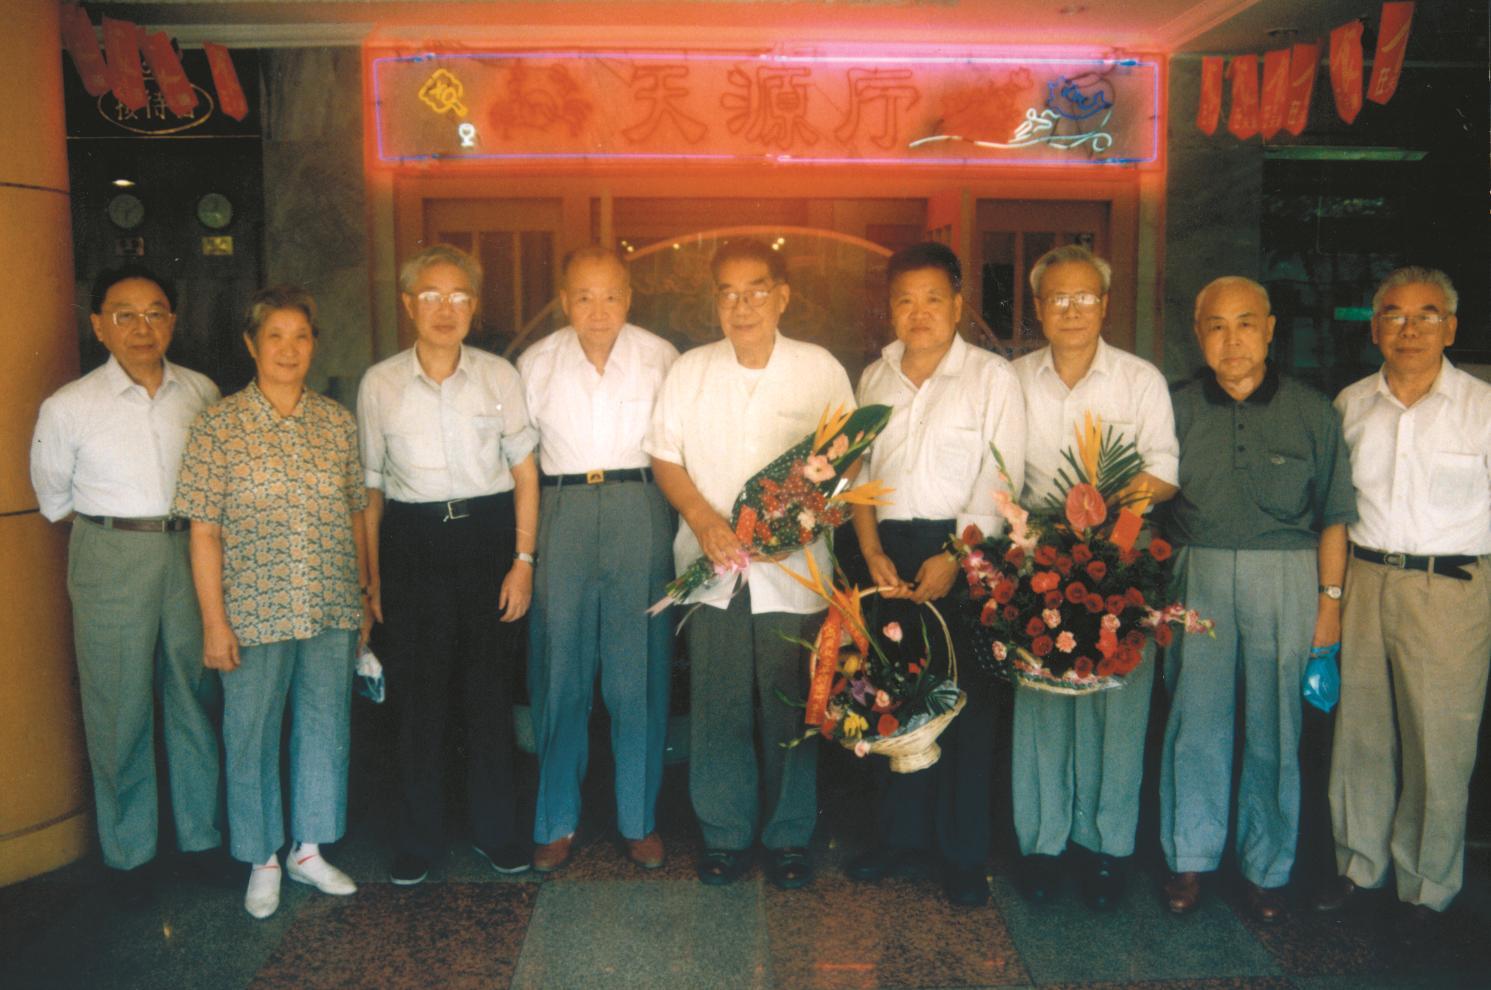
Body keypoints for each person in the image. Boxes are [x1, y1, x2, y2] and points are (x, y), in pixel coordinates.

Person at [646, 238, 854, 889]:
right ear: (715, 302)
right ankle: (725, 834)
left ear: (782, 296)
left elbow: (847, 466)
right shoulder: (690, 370)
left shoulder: (819, 369)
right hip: (713, 566)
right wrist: (702, 519)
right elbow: (664, 454)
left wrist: (809, 524)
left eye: (756, 290)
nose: (742, 306)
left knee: (792, 705)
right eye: (728, 293)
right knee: (719, 705)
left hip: (794, 572)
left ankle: (789, 836)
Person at [1157, 277, 1356, 922]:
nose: (1232, 339)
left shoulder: (1312, 410)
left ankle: (1268, 867)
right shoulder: (1176, 407)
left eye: (1246, 323)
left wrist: (1329, 606)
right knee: (1196, 721)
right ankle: (1190, 856)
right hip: (1199, 572)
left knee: (1276, 725)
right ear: (1199, 335)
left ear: (1270, 330)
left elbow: (1335, 518)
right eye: (1216, 325)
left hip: (1288, 575)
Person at [30, 266, 225, 906]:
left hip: (191, 551)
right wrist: (120, 533)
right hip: (111, 551)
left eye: (155, 312)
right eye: (124, 314)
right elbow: (54, 500)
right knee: (118, 704)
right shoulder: (68, 406)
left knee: (193, 693)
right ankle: (129, 852)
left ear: (173, 321)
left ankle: (201, 839)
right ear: (98, 326)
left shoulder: (202, 391)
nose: (142, 327)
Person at [173, 287, 370, 920]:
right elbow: (203, 530)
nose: (289, 349)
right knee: (250, 730)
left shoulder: (336, 422)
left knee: (325, 723)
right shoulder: (218, 425)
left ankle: (308, 850)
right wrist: (214, 622)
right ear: (251, 345)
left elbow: (356, 511)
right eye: (275, 336)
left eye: (300, 336)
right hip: (252, 608)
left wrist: (365, 595)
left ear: (314, 344)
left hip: (330, 600)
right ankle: (262, 858)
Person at [846, 242, 1026, 906]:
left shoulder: (990, 377)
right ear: (889, 307)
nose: (917, 312)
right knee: (889, 696)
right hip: (887, 553)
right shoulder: (874, 377)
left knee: (964, 704)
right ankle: (897, 838)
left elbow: (1001, 476)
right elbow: (859, 474)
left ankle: (962, 854)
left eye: (932, 299)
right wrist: (870, 552)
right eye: (904, 300)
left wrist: (955, 555)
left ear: (957, 304)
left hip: (963, 549)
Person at [1316, 266, 1491, 943]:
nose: (1409, 328)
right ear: (1374, 328)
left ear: (1451, 327)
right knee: (1360, 733)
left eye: (1426, 315)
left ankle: (1427, 886)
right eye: (1393, 314)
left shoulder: (1481, 407)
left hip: (1450, 589)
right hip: (1364, 578)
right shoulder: (1350, 405)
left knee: (1437, 741)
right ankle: (1359, 867)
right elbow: (1334, 509)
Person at [358, 244, 540, 885]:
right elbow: (370, 489)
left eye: (458, 296)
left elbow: (525, 474)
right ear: (408, 305)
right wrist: (372, 578)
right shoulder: (379, 383)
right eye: (431, 296)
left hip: (488, 537)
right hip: (412, 543)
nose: (445, 309)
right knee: (419, 698)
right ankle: (419, 840)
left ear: (474, 306)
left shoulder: (499, 376)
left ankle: (497, 833)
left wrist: (522, 560)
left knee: (488, 694)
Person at [1010, 244, 1179, 910]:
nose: (1072, 310)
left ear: (1105, 305)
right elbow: (1001, 474)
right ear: (1038, 306)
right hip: (1038, 560)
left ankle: (1106, 850)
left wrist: (1109, 544)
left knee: (1116, 708)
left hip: (1122, 558)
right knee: (1043, 703)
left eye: (1085, 297)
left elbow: (1162, 472)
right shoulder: (1013, 380)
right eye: (1059, 297)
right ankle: (1042, 846)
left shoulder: (1139, 379)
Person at [517, 246, 679, 872]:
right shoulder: (537, 362)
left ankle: (639, 819)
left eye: (611, 295)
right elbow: (520, 462)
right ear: (565, 302)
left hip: (640, 504)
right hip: (562, 508)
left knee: (638, 670)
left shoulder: (661, 357)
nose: (598, 310)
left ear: (629, 298)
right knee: (559, 667)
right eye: (584, 297)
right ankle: (555, 821)